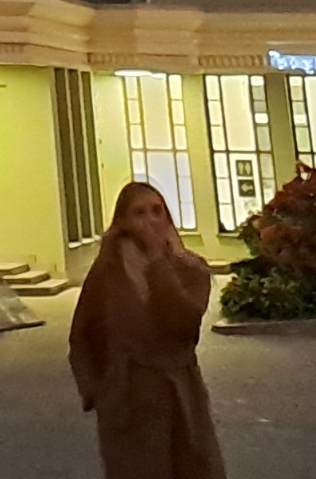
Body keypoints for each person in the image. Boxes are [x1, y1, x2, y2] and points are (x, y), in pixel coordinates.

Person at [69, 179, 224, 479]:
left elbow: (184, 322)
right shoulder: (107, 272)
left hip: (182, 398)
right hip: (128, 404)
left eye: (157, 211)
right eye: (139, 213)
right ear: (124, 222)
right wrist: (97, 393)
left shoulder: (190, 268)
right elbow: (82, 335)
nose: (150, 220)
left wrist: (158, 263)